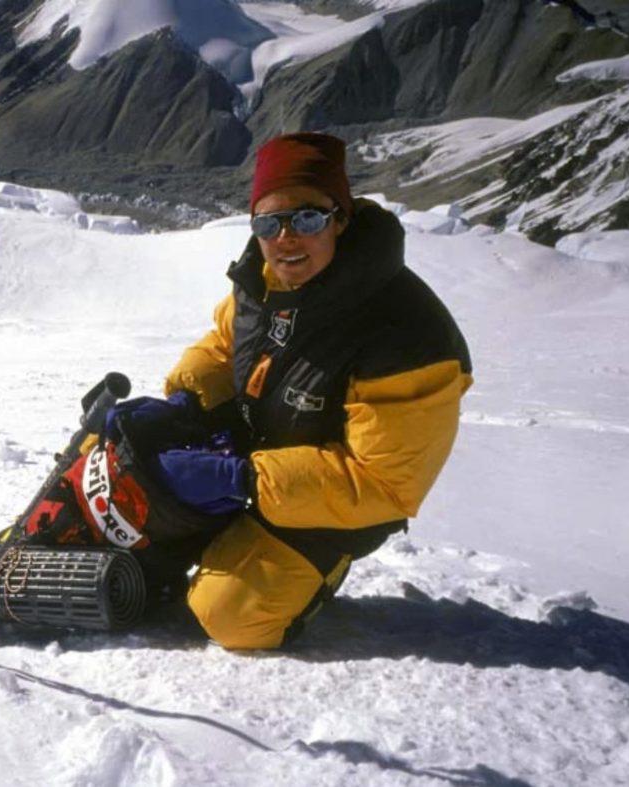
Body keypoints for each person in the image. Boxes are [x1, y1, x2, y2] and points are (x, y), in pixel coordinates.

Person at [133, 132, 473, 649]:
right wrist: (184, 399)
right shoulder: (261, 280)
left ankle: (322, 570)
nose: (287, 237)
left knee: (232, 616)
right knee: (124, 468)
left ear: (341, 217)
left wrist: (243, 478)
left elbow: (383, 482)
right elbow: (226, 346)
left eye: (307, 217)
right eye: (269, 222)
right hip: (267, 454)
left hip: (339, 503)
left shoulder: (405, 331)